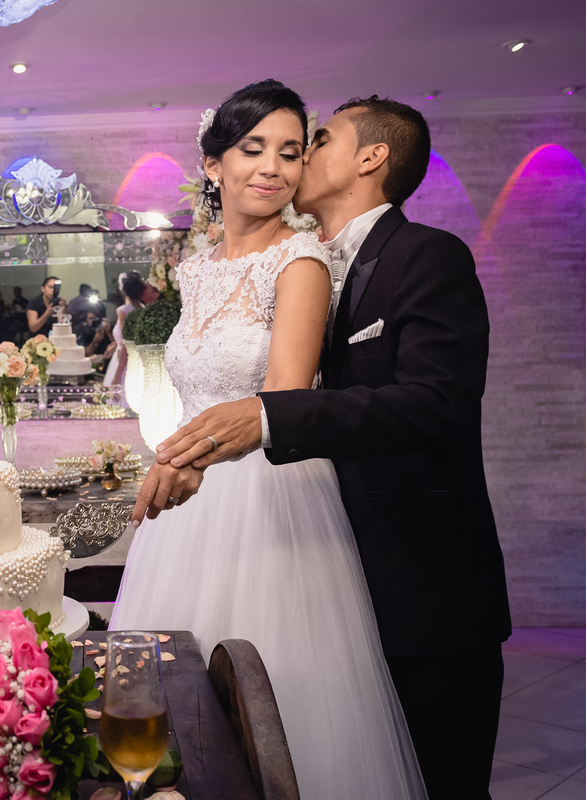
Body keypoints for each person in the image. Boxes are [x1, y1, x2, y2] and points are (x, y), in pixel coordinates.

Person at [147, 94, 509, 800]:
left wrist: (268, 416)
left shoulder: (426, 256)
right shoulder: (295, 257)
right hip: (321, 556)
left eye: (313, 141)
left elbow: (437, 401)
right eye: (267, 147)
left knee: (433, 780)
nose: (296, 157)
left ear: (370, 158)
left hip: (420, 582)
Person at [110, 81, 427, 799]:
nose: (273, 168)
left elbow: (283, 396)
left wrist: (195, 457)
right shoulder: (192, 269)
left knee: (270, 705)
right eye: (253, 149)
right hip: (187, 509)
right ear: (213, 162)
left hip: (273, 494)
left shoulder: (302, 260)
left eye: (290, 152)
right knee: (176, 709)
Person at [102, 271, 146, 386]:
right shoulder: (143, 308)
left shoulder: (124, 311)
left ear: (122, 289)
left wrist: (117, 376)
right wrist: (115, 344)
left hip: (123, 360)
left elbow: (126, 342)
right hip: (138, 359)